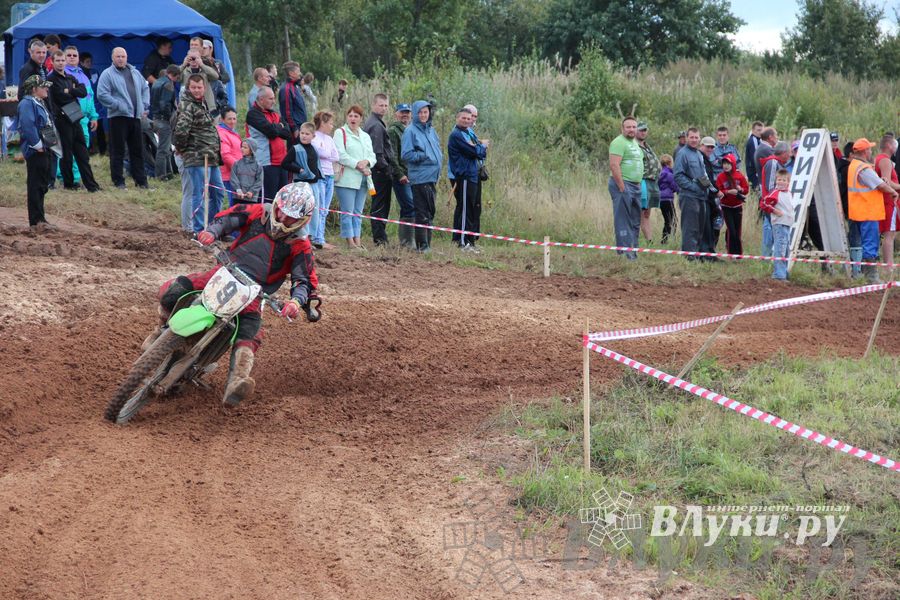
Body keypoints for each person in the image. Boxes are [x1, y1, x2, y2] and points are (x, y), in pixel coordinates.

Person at [150, 183, 320, 406]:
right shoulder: (260, 213)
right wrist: (212, 231)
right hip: (226, 270)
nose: (284, 219)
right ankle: (159, 332)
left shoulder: (300, 244)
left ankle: (237, 381)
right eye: (282, 212)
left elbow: (303, 279)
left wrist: (296, 302)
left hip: (255, 292)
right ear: (277, 204)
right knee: (177, 287)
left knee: (251, 333)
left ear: (302, 219)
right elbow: (230, 219)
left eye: (290, 218)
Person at [173, 74, 224, 233]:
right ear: (188, 88)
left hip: (212, 157)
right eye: (193, 87)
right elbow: (181, 131)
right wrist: (181, 148)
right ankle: (199, 230)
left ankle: (213, 228)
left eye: (199, 87)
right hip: (196, 157)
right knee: (200, 194)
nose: (196, 90)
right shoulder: (188, 105)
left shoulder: (202, 103)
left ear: (204, 88)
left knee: (218, 192)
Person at [47, 50, 101, 193]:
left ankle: (91, 185)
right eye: (57, 60)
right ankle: (69, 183)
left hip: (76, 117)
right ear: (52, 62)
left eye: (62, 60)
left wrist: (69, 90)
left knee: (83, 153)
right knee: (66, 154)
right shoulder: (51, 79)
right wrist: (72, 91)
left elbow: (83, 92)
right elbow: (60, 96)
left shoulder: (70, 77)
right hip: (62, 120)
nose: (61, 63)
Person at [96, 47, 150, 189]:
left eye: (123, 56)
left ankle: (141, 182)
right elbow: (102, 94)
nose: (121, 59)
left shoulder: (135, 72)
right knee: (118, 150)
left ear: (127, 57)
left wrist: (144, 105)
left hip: (135, 117)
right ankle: (118, 181)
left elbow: (145, 88)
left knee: (137, 150)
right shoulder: (107, 74)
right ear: (112, 58)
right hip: (118, 117)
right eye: (118, 56)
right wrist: (118, 105)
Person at [847, 138, 899, 282]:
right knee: (870, 243)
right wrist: (893, 192)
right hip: (867, 212)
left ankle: (863, 274)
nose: (871, 151)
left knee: (862, 243)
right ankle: (871, 276)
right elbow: (879, 185)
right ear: (864, 152)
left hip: (858, 211)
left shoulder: (855, 165)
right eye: (869, 149)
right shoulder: (863, 168)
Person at [401, 100, 442, 253]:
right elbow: (406, 154)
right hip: (420, 177)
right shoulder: (410, 131)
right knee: (422, 212)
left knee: (430, 211)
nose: (424, 115)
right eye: (421, 112)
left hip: (432, 176)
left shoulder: (431, 130)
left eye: (426, 112)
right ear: (416, 114)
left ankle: (427, 245)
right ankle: (422, 246)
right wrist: (423, 156)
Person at [17, 76, 56, 232]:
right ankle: (35, 220)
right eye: (43, 87)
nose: (46, 89)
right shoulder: (27, 103)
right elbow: (27, 125)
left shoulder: (38, 102)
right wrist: (37, 144)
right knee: (35, 185)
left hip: (44, 147)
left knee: (41, 184)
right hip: (36, 149)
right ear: (34, 89)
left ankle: (41, 218)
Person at [333, 105, 375, 250]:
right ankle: (350, 242)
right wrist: (358, 164)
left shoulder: (365, 136)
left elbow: (372, 156)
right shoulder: (340, 132)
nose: (353, 118)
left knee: (358, 212)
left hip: (364, 179)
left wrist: (367, 162)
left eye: (356, 116)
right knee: (347, 211)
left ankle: (357, 240)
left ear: (361, 119)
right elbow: (340, 155)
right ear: (347, 117)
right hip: (347, 179)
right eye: (350, 115)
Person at [448, 107, 488, 252]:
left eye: (468, 118)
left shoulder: (468, 133)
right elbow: (475, 151)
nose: (466, 120)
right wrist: (481, 147)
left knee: (472, 209)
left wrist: (479, 148)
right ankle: (462, 242)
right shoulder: (456, 135)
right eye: (463, 118)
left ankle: (470, 242)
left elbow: (480, 152)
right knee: (465, 209)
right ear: (457, 118)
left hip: (472, 175)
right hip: (463, 175)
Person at [608, 116, 644, 259]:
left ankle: (633, 251)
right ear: (622, 128)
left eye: (634, 127)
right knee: (623, 220)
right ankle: (624, 254)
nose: (631, 129)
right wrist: (622, 187)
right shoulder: (618, 142)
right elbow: (614, 165)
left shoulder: (634, 142)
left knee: (635, 220)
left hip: (636, 186)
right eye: (628, 127)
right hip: (623, 185)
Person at [246, 86, 291, 200]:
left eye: (273, 98)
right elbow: (270, 132)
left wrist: (277, 127)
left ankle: (278, 219)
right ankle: (266, 218)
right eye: (270, 99)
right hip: (266, 163)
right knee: (268, 200)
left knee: (282, 200)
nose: (274, 101)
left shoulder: (274, 114)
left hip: (282, 162)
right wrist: (279, 126)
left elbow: (287, 133)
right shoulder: (253, 114)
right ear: (261, 99)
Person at [674, 128, 711, 260]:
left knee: (699, 228)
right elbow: (678, 176)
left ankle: (697, 255)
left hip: (701, 196)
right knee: (690, 228)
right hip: (689, 196)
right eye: (692, 137)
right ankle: (689, 258)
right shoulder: (682, 154)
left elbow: (703, 176)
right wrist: (694, 187)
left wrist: (711, 189)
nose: (694, 140)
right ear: (687, 137)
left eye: (696, 137)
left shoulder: (699, 154)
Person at [363, 93, 395, 246]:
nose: (383, 108)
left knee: (379, 203)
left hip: (377, 170)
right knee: (380, 204)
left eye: (386, 106)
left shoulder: (376, 122)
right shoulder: (375, 125)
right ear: (373, 105)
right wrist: (387, 169)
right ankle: (380, 239)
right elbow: (378, 152)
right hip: (379, 172)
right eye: (381, 105)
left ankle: (380, 236)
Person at [63, 46, 100, 173]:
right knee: (67, 149)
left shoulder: (83, 75)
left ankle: (79, 177)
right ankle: (66, 177)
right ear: (63, 57)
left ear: (79, 58)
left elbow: (90, 97)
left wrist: (94, 116)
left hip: (83, 119)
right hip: (68, 119)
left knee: (83, 149)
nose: (72, 57)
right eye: (69, 55)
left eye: (75, 55)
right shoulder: (59, 74)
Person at [310, 111, 341, 249]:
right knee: (319, 206)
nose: (332, 126)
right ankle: (317, 237)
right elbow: (322, 152)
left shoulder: (329, 139)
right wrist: (326, 154)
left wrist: (326, 154)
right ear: (323, 123)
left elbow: (336, 156)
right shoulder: (314, 137)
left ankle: (320, 237)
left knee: (325, 209)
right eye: (330, 123)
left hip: (330, 175)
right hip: (320, 176)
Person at [389, 103, 415, 248]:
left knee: (411, 206)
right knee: (409, 206)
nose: (405, 115)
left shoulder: (410, 130)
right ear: (396, 114)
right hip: (400, 176)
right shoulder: (393, 130)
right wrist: (399, 174)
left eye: (407, 112)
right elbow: (392, 155)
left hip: (413, 175)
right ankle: (406, 242)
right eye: (402, 112)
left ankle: (410, 240)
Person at [758, 141, 791, 257]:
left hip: (774, 204)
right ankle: (766, 258)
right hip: (772, 205)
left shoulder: (779, 163)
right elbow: (770, 185)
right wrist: (776, 202)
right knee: (769, 232)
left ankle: (770, 257)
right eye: (789, 152)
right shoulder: (773, 163)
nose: (790, 155)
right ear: (783, 152)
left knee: (774, 232)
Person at [761, 169, 795, 280]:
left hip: (787, 223)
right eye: (779, 179)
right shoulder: (775, 192)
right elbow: (764, 203)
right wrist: (775, 211)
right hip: (779, 223)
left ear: (788, 182)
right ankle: (778, 275)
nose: (781, 182)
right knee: (780, 248)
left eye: (783, 180)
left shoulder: (789, 193)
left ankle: (783, 272)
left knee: (785, 249)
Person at [150, 64, 180, 180]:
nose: (176, 81)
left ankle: (169, 173)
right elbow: (165, 104)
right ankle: (161, 175)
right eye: (177, 78)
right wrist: (170, 118)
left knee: (166, 148)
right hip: (164, 120)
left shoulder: (157, 82)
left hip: (156, 118)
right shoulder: (168, 84)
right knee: (163, 149)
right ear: (174, 75)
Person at [875, 135, 900, 271]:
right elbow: (887, 182)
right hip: (889, 201)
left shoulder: (881, 159)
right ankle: (888, 266)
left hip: (888, 200)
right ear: (889, 146)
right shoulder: (885, 160)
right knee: (889, 234)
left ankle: (888, 265)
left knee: (889, 234)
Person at [715, 154, 749, 256]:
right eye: (724, 163)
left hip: (737, 206)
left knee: (737, 230)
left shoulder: (739, 176)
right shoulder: (720, 177)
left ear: (733, 164)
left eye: (728, 163)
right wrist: (728, 192)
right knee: (731, 230)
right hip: (726, 207)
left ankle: (738, 254)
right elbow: (718, 190)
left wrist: (740, 189)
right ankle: (730, 253)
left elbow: (746, 190)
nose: (725, 166)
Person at [636, 121, 661, 243]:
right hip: (643, 181)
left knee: (647, 213)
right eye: (640, 130)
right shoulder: (634, 145)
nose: (643, 132)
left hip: (653, 182)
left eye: (645, 130)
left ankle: (649, 241)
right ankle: (642, 240)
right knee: (641, 212)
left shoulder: (647, 145)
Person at [699, 136, 724, 252]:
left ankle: (710, 251)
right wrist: (715, 191)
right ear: (701, 145)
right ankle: (706, 252)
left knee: (712, 225)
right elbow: (703, 178)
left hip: (709, 196)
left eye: (712, 147)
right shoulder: (700, 158)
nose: (710, 149)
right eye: (707, 146)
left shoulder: (706, 159)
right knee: (706, 227)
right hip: (703, 196)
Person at [179, 49, 219, 115]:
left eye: (196, 58)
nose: (193, 60)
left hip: (207, 105)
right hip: (187, 107)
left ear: (200, 58)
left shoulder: (205, 70)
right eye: (191, 58)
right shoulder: (183, 71)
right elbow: (174, 76)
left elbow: (216, 76)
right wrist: (183, 65)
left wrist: (202, 64)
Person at [217, 107, 244, 204]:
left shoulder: (232, 132)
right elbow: (225, 155)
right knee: (233, 203)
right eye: (229, 119)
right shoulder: (222, 133)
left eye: (234, 118)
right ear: (222, 119)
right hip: (229, 176)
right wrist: (240, 169)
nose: (232, 121)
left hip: (236, 174)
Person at [283, 122, 322, 187]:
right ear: (299, 133)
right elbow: (284, 164)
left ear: (313, 136)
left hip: (314, 184)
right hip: (301, 184)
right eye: (302, 133)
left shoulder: (314, 148)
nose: (304, 136)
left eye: (307, 134)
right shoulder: (295, 149)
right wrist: (299, 170)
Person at [279, 62, 308, 141]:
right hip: (296, 131)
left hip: (302, 127)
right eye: (298, 71)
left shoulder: (294, 86)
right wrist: (294, 128)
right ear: (291, 73)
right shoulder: (286, 89)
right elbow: (287, 112)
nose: (300, 74)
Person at [230, 138, 263, 204]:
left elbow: (259, 181)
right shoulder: (237, 163)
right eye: (242, 147)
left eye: (245, 147)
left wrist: (252, 191)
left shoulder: (258, 165)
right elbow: (233, 178)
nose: (242, 149)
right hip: (238, 198)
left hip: (251, 199)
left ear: (251, 150)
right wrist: (238, 190)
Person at [657, 154, 679, 244]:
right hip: (668, 199)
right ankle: (668, 239)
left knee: (667, 220)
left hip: (661, 200)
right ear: (670, 163)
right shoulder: (669, 174)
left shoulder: (660, 174)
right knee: (673, 220)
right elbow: (675, 187)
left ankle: (665, 239)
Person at [744, 121, 763, 191]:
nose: (760, 132)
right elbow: (755, 157)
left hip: (755, 171)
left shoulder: (759, 140)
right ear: (752, 130)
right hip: (754, 172)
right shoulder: (753, 140)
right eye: (758, 130)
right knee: (757, 191)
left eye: (761, 130)